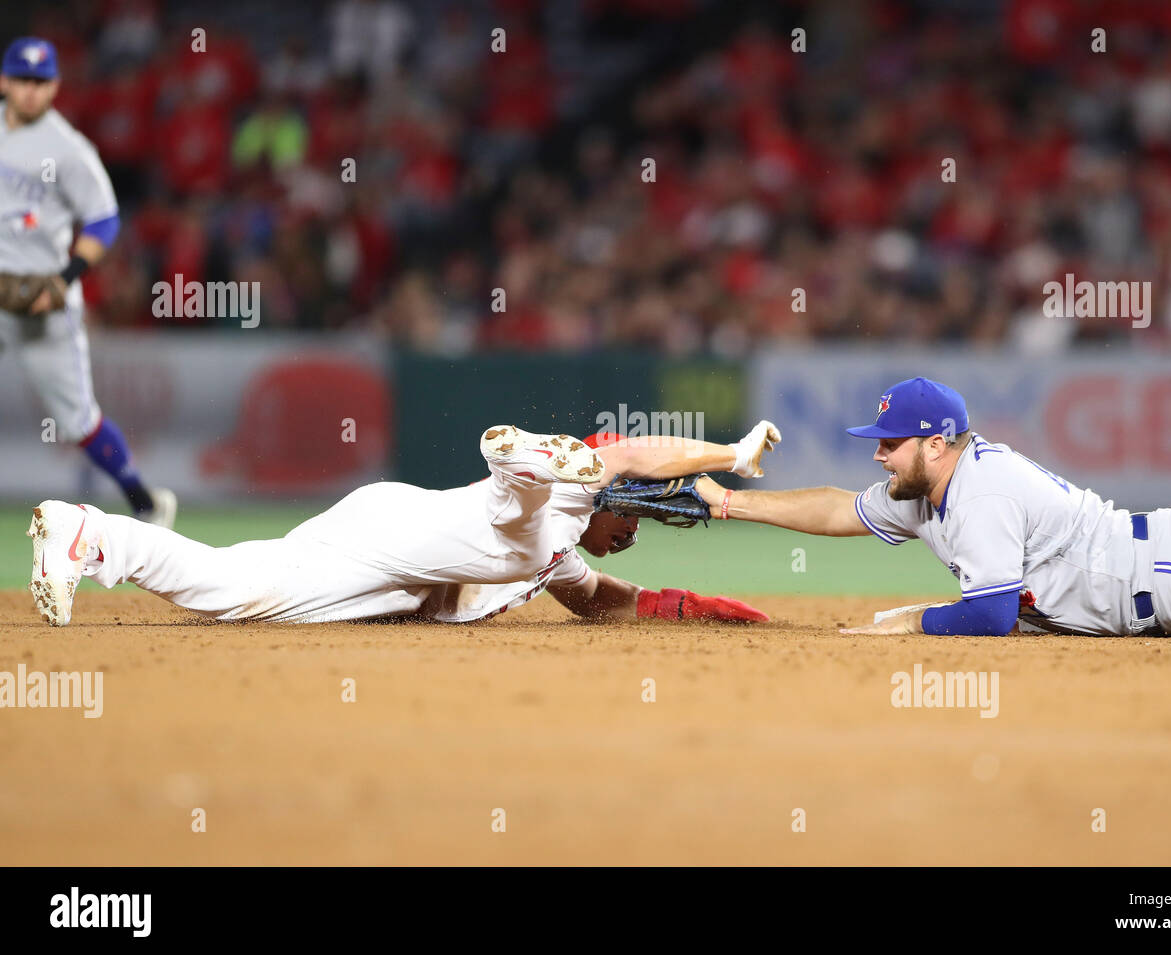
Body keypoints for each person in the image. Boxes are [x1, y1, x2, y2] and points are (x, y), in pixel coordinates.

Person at [692, 376, 1171, 638]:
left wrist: (911, 621)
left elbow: (990, 618)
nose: (878, 456)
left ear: (936, 443)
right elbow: (837, 509)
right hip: (1150, 597)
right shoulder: (925, 490)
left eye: (890, 443)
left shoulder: (981, 490)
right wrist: (727, 504)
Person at [28, 422, 781, 628]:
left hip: (400, 563)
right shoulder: (557, 507)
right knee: (235, 593)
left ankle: (527, 451)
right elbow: (635, 452)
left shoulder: (557, 550)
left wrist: (676, 606)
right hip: (383, 544)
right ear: (611, 494)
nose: (636, 531)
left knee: (247, 589)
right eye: (637, 517)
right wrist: (730, 453)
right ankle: (83, 530)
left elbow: (593, 599)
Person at [0, 37, 175, 526]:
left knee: (78, 421)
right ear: (4, 81)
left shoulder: (68, 150)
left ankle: (145, 500)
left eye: (40, 82)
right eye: (22, 80)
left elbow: (103, 220)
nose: (30, 91)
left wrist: (64, 278)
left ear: (54, 86)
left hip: (43, 303)